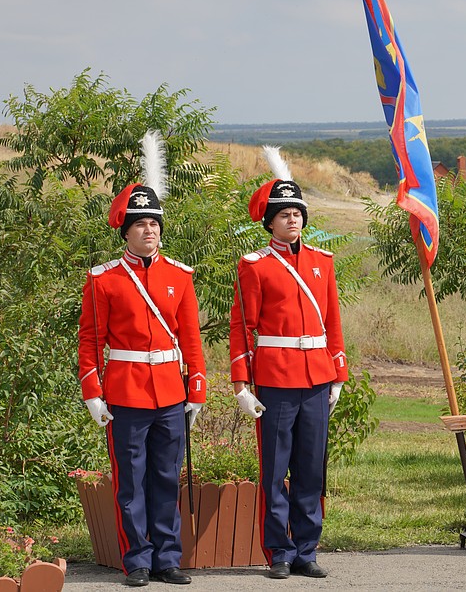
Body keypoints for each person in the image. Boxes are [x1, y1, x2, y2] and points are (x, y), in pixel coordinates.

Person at [78, 132, 207, 587]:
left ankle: (168, 557)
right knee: (130, 483)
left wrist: (197, 390)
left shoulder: (180, 276)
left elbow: (191, 340)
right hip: (126, 391)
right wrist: (92, 391)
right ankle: (137, 560)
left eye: (154, 223)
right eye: (141, 224)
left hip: (170, 391)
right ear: (126, 231)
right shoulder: (103, 281)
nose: (149, 230)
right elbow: (90, 341)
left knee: (166, 478)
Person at [229, 147, 347, 580]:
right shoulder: (254, 266)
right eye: (284, 214)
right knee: (276, 468)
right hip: (275, 377)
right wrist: (241, 383)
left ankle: (306, 550)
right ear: (270, 222)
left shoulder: (322, 263)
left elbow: (333, 321)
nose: (292, 220)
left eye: (297, 212)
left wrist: (338, 375)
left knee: (311, 469)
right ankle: (279, 551)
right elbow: (241, 326)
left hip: (317, 375)